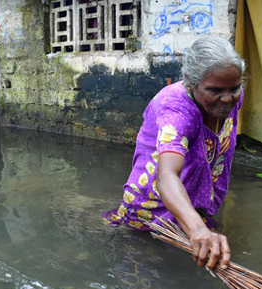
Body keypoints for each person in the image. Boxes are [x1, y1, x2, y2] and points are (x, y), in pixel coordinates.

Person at [103, 36, 245, 271]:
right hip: (154, 207)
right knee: (152, 266)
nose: (228, 99)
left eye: (235, 88)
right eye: (215, 90)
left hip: (195, 201)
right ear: (191, 84)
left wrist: (199, 224)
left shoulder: (229, 94)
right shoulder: (176, 109)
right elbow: (167, 174)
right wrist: (198, 229)